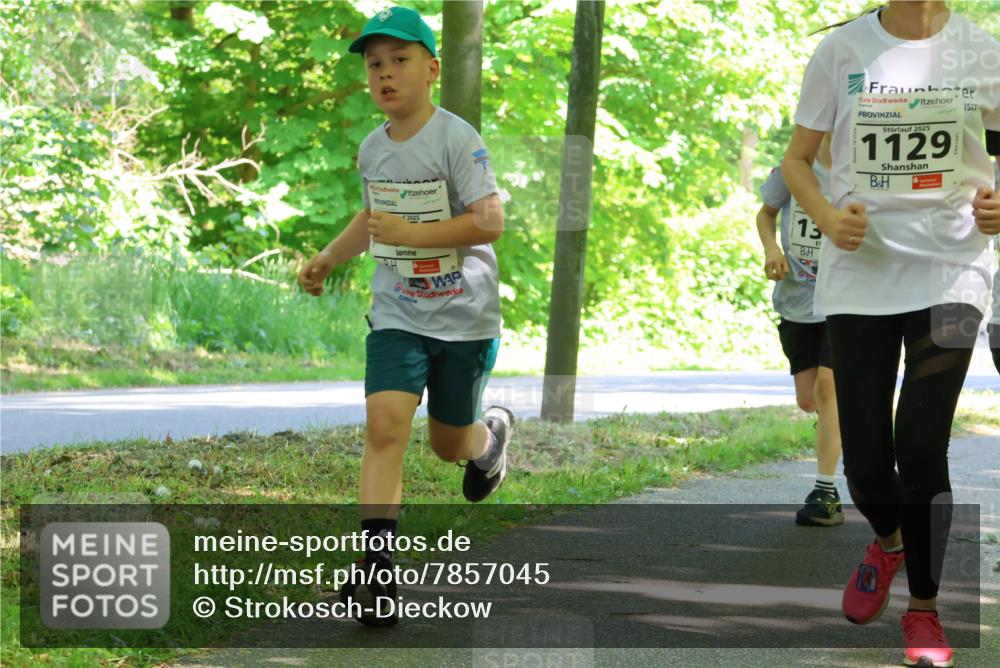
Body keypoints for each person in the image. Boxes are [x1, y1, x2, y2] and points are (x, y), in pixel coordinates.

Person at [782, 2, 1000, 666]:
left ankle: (926, 612)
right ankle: (891, 543)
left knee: (923, 442)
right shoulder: (843, 51)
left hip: (952, 270)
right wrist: (824, 214)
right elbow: (798, 161)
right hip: (861, 272)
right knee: (868, 462)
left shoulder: (982, 52)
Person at [297, 6, 514, 626]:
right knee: (385, 427)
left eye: (399, 61)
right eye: (374, 65)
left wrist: (414, 237)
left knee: (449, 447)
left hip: (464, 316)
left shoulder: (456, 137)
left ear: (431, 68)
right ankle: (376, 573)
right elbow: (373, 221)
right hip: (397, 311)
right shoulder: (373, 148)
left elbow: (490, 221)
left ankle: (488, 440)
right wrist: (328, 258)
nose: (385, 75)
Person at [755, 132, 843, 527]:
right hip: (795, 302)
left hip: (843, 301)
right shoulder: (793, 167)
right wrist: (772, 249)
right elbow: (765, 213)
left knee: (829, 388)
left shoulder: (856, 170)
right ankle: (850, 424)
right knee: (810, 400)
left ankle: (826, 491)